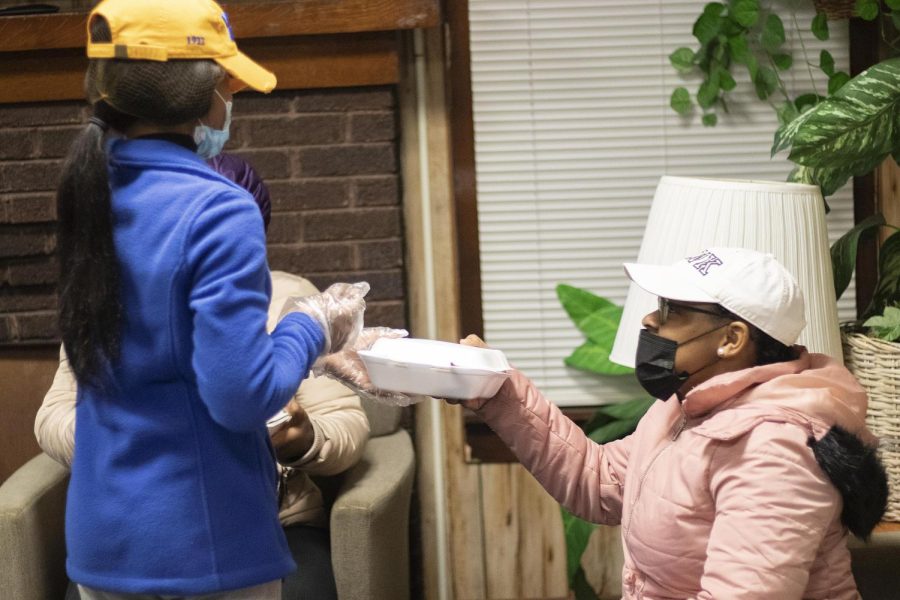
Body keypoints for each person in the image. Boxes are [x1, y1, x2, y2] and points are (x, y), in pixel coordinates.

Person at [53, 1, 378, 597]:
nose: (230, 101)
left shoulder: (89, 192)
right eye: (228, 83)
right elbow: (240, 397)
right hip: (199, 544)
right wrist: (311, 324)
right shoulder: (218, 208)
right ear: (204, 94)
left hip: (102, 538)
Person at [452, 247, 888, 599]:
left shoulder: (775, 449)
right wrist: (498, 389)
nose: (649, 319)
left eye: (672, 309)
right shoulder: (688, 408)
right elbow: (599, 481)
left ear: (732, 339)